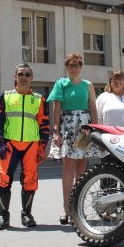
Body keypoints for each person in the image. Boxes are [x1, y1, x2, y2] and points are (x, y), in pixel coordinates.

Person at [0, 63, 50, 230]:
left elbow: (44, 124)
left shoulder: (39, 100)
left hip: (31, 145)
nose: (23, 77)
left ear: (32, 78)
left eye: (27, 74)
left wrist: (42, 146)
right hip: (10, 144)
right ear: (15, 76)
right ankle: (3, 216)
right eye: (20, 74)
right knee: (3, 179)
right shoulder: (6, 96)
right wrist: (1, 142)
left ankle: (26, 214)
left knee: (30, 180)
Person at [47, 53, 99, 225]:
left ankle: (78, 206)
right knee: (68, 166)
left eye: (76, 65)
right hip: (67, 125)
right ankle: (66, 208)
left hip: (84, 126)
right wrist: (56, 130)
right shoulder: (61, 83)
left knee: (82, 167)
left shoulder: (88, 85)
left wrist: (96, 127)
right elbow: (56, 108)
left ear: (81, 66)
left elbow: (92, 106)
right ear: (66, 67)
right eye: (70, 65)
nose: (73, 68)